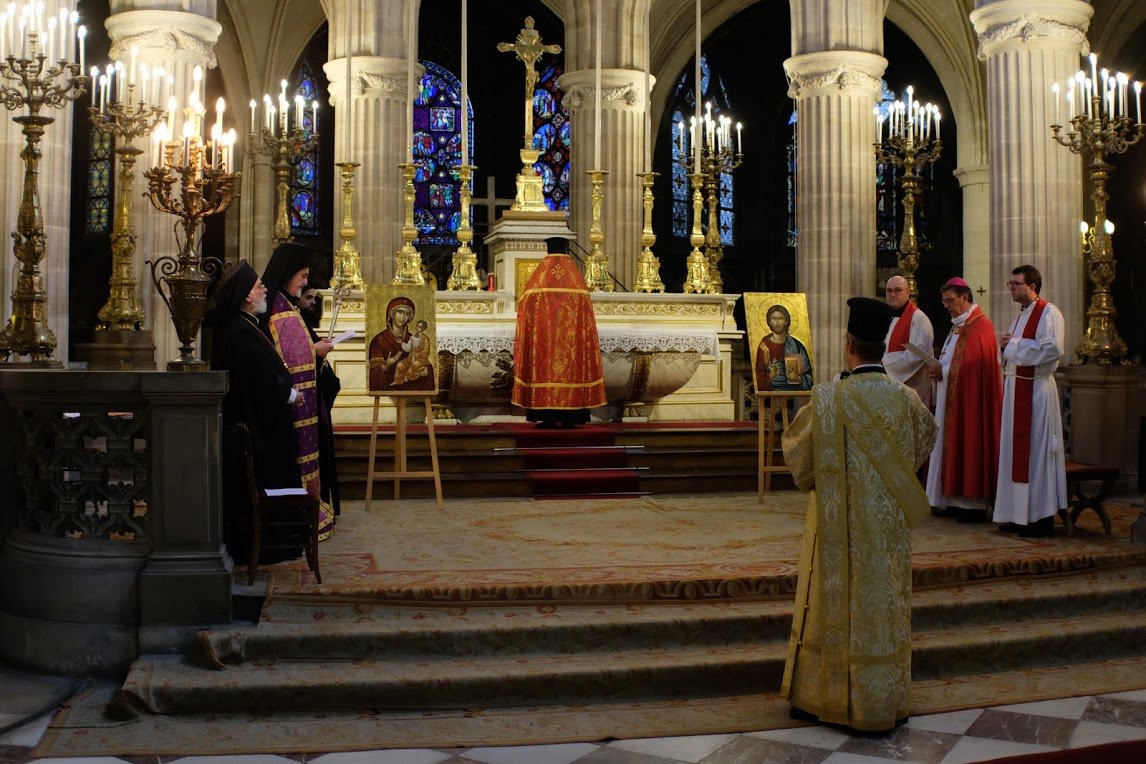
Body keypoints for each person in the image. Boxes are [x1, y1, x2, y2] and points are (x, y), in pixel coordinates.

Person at [781, 297, 937, 734]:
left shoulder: (828, 400)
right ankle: (885, 698)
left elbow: (799, 462)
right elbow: (925, 440)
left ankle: (823, 698)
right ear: (883, 346)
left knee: (834, 606)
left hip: (840, 533)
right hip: (888, 537)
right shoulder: (906, 399)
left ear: (849, 343)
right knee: (882, 609)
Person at [207, 261, 305, 564]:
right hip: (259, 429)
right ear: (246, 296)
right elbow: (257, 381)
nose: (265, 289)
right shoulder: (239, 331)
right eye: (258, 285)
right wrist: (289, 394)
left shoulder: (244, 326)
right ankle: (270, 545)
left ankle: (278, 543)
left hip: (262, 422)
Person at [261, 243, 335, 540]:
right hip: (284, 406)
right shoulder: (275, 309)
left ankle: (306, 505)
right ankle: (297, 510)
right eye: (302, 275)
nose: (306, 282)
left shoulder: (285, 305)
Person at [995, 265, 1067, 537]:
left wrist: (1011, 346)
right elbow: (1015, 350)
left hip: (1036, 391)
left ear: (1032, 286)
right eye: (1010, 283)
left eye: (1016, 284)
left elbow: (1053, 349)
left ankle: (1038, 517)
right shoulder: (1020, 316)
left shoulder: (1049, 313)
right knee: (1015, 453)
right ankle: (1017, 514)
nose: (1011, 288)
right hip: (1017, 389)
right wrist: (1008, 347)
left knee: (1036, 453)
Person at [925, 277, 1002, 522]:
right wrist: (939, 370)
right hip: (952, 396)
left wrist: (943, 372)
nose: (946, 305)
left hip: (971, 403)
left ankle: (971, 503)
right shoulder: (958, 325)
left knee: (969, 443)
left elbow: (974, 366)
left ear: (965, 297)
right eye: (944, 301)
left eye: (950, 300)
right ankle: (950, 498)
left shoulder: (981, 325)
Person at [512, 236, 606, 428]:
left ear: (548, 249)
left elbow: (524, 309)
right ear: (566, 249)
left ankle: (545, 415)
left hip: (544, 341)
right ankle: (571, 416)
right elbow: (587, 317)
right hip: (570, 342)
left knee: (544, 368)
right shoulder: (576, 279)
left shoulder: (538, 279)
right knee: (571, 367)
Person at [297, 282, 342, 518]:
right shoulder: (293, 319)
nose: (313, 302)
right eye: (310, 297)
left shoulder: (299, 319)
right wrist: (315, 349)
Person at [882, 275, 935, 409]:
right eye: (889, 291)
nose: (893, 294)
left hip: (913, 389)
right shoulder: (886, 317)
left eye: (897, 290)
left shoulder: (919, 319)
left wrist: (882, 366)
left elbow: (916, 356)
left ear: (908, 292)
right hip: (891, 389)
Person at [368, 297, 435, 391]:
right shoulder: (379, 340)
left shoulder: (413, 338)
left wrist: (426, 371)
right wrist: (387, 365)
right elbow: (374, 371)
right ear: (391, 314)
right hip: (388, 387)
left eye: (407, 314)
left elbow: (425, 361)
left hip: (412, 385)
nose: (403, 317)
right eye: (400, 312)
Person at [754, 304, 813, 392]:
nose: (777, 323)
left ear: (786, 321)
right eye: (774, 319)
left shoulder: (797, 345)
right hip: (770, 398)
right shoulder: (764, 347)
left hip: (794, 397)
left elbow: (808, 376)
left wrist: (798, 378)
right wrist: (771, 375)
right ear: (769, 321)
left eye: (780, 319)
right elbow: (758, 376)